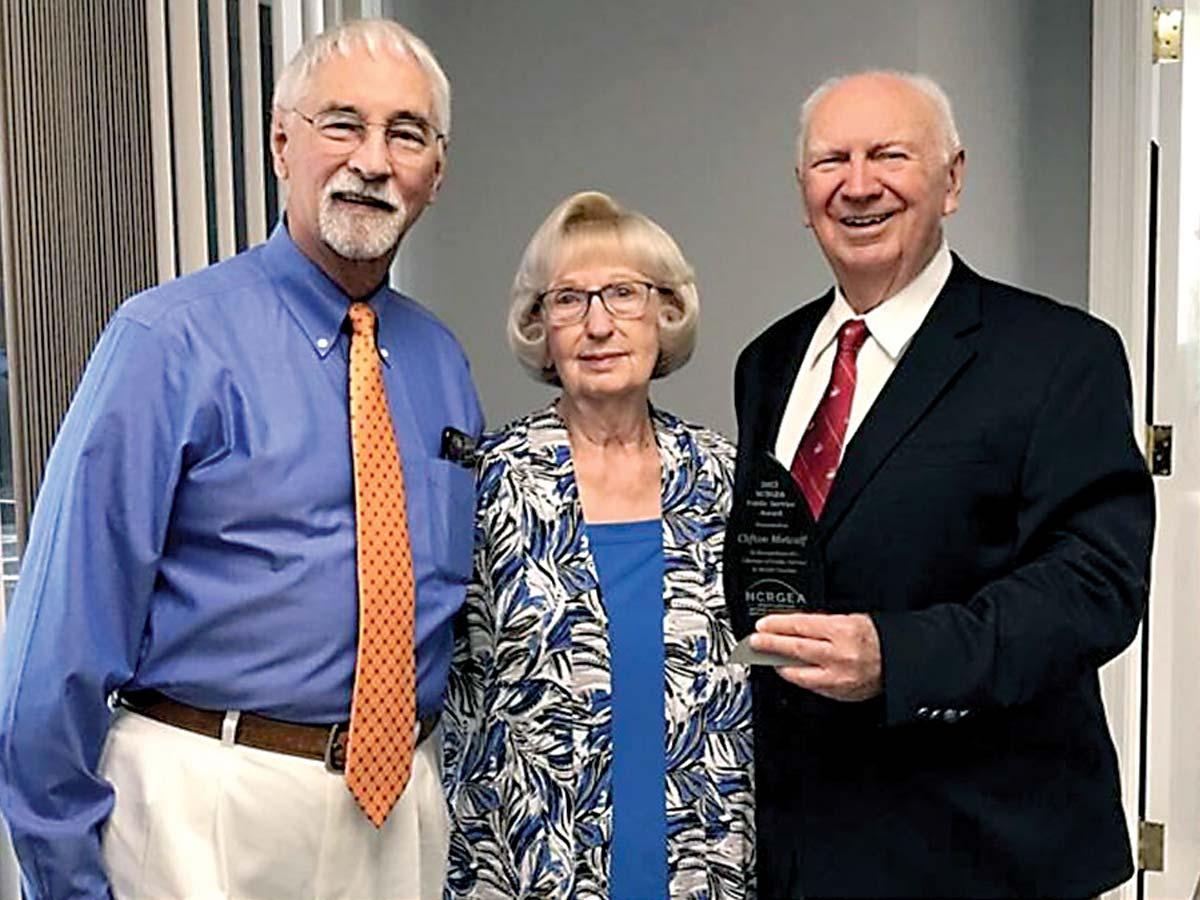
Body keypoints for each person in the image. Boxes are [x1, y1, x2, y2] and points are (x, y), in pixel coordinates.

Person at [0, 18, 481, 900]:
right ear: (279, 142)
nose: (372, 159)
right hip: (205, 800)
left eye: (404, 134)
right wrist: (65, 877)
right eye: (342, 123)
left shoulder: (441, 363)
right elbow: (57, 640)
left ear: (435, 174)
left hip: (397, 812)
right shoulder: (166, 341)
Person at [732, 71, 1154, 899]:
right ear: (802, 191)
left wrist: (899, 655)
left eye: (889, 155)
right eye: (831, 161)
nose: (858, 185)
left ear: (952, 179)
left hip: (989, 850)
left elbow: (1095, 584)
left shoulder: (1059, 355)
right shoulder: (769, 362)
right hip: (805, 849)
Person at [443, 191, 754, 900]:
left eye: (623, 294)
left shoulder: (726, 479)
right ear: (541, 329)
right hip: (528, 860)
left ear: (666, 313)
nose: (598, 324)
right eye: (569, 300)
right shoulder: (487, 480)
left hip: (700, 852)